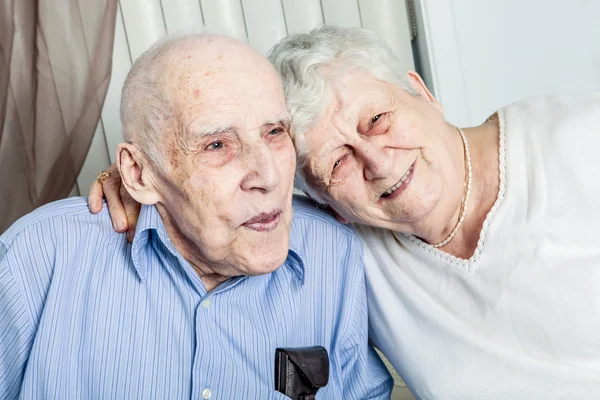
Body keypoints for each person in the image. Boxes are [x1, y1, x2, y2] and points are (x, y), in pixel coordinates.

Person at [94, 26, 600, 398]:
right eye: (337, 163)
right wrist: (150, 184)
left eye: (377, 119)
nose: (377, 163)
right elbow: (222, 203)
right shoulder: (346, 253)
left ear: (420, 92)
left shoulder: (580, 142)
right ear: (323, 203)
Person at [0, 34, 394, 399]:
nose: (269, 177)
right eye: (217, 144)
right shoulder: (37, 256)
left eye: (274, 132)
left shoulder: (334, 254)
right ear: (138, 173)